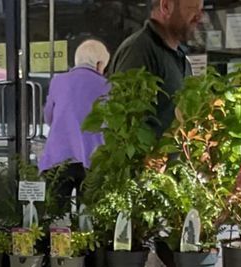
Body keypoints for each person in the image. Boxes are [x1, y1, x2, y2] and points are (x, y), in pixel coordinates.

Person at [107, 0, 204, 136]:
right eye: (193, 8)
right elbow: (124, 128)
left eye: (201, 9)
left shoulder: (181, 59)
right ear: (166, 6)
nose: (200, 17)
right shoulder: (139, 51)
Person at [40, 40, 111, 204]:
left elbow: (49, 117)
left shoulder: (58, 81)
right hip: (93, 158)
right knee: (90, 213)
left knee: (55, 213)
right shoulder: (107, 85)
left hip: (59, 158)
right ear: (99, 64)